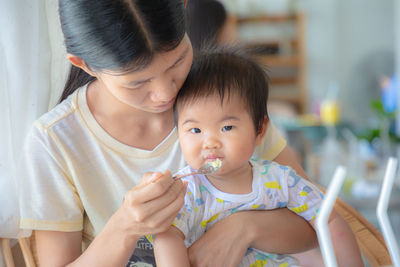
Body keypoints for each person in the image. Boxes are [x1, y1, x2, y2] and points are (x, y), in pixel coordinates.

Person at [18, 0, 357, 266]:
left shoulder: (224, 100)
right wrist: (126, 226)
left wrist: (244, 227)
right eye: (137, 83)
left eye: (177, 61)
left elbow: (317, 224)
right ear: (84, 65)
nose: (166, 94)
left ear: (183, 8)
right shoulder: (55, 141)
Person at [153, 48, 363, 266]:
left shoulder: (280, 180)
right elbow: (166, 237)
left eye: (226, 127)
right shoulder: (186, 189)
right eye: (195, 130)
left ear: (260, 130)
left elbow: (328, 219)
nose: (210, 142)